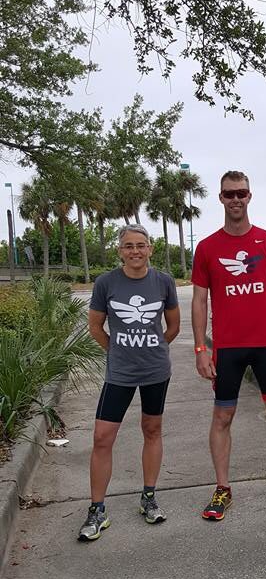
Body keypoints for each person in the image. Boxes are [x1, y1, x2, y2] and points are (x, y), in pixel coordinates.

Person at [191, 170, 266, 520]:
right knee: (223, 415)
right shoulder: (208, 247)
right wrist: (200, 349)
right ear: (221, 198)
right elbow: (199, 301)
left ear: (250, 195)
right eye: (229, 194)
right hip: (228, 348)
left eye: (241, 192)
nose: (236, 199)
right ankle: (222, 489)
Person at [78, 225, 181, 541]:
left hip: (155, 371)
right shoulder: (106, 283)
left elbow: (173, 326)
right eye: (128, 246)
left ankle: (148, 497)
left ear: (150, 248)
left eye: (141, 245)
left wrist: (154, 347)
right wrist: (118, 350)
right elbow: (95, 326)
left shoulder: (163, 281)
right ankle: (97, 509)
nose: (135, 251)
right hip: (119, 373)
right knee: (102, 437)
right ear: (119, 250)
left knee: (152, 430)